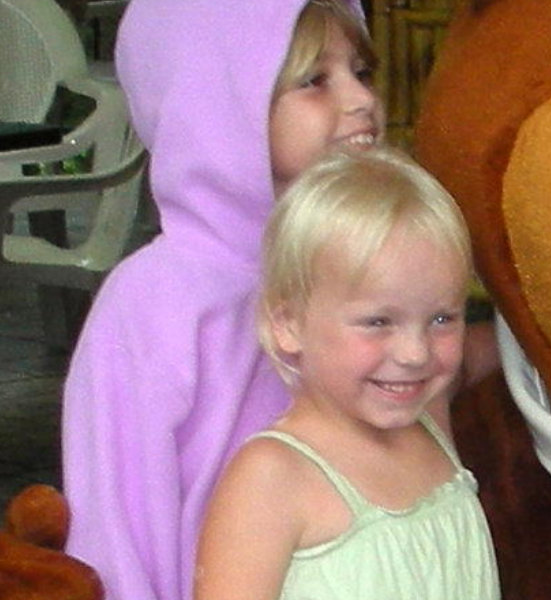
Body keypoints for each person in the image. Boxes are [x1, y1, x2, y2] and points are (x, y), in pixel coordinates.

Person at [61, 2, 394, 598]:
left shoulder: (365, 269)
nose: (360, 99)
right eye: (315, 80)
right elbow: (118, 532)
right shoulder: (154, 303)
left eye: (362, 72)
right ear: (215, 104)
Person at [195, 147, 498, 599]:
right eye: (378, 322)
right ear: (289, 324)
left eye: (441, 319)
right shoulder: (271, 478)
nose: (415, 353)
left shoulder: (429, 426)